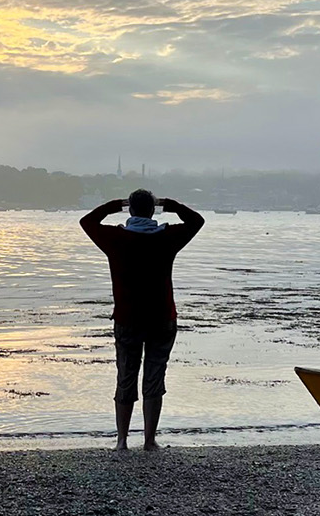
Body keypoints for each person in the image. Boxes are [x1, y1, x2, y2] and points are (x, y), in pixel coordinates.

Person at [80, 189, 205, 450]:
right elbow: (196, 221)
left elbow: (87, 222)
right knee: (154, 377)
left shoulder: (116, 238)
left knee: (126, 376)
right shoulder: (168, 237)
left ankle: (122, 440)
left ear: (130, 210)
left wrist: (112, 205)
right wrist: (171, 204)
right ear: (153, 210)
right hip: (162, 317)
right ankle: (149, 440)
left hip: (128, 318)